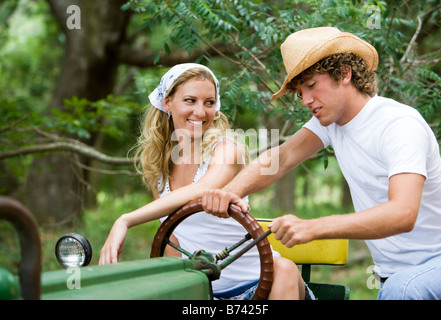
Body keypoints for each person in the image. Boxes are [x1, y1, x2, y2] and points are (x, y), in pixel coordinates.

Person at [202, 27, 441, 300]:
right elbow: (281, 157)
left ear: (344, 74)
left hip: (440, 264)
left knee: (402, 290)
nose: (306, 100)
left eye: (311, 85)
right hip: (394, 278)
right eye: (300, 92)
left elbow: (403, 214)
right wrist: (230, 192)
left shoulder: (399, 125)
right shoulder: (333, 124)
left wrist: (313, 227)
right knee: (399, 288)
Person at [99, 63, 309, 300]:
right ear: (167, 103)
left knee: (285, 268)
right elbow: (172, 238)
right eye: (190, 100)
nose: (200, 112)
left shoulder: (226, 148)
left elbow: (204, 188)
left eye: (209, 102)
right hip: (205, 291)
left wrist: (125, 220)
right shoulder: (158, 170)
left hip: (260, 284)